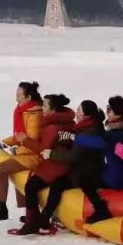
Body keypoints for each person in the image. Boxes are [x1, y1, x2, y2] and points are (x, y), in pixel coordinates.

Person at [60, 96, 123, 223]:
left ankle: (101, 209)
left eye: (109, 109)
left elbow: (99, 142)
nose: (106, 111)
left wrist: (73, 137)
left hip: (117, 177)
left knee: (84, 180)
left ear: (118, 113)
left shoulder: (116, 133)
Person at [13, 94, 76, 235]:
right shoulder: (68, 121)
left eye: (45, 106)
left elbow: (42, 149)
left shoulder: (52, 127)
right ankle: (38, 217)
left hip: (54, 167)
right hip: (63, 165)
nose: (42, 108)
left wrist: (25, 140)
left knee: (30, 187)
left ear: (53, 110)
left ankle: (32, 223)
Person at [0, 82, 44, 222]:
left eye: (19, 95)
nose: (17, 98)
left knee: (0, 170)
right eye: (16, 95)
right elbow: (19, 137)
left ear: (28, 97)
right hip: (25, 152)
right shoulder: (24, 111)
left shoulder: (34, 114)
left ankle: (0, 209)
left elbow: (30, 139)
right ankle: (29, 211)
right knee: (14, 173)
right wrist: (3, 143)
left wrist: (17, 148)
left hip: (34, 155)